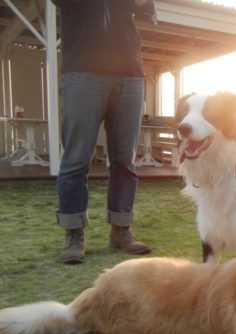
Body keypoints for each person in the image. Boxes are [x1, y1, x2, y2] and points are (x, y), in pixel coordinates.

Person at [52, 0, 156, 263]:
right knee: (76, 159)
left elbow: (146, 8)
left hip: (130, 73)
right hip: (83, 70)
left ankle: (121, 231)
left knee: (124, 161)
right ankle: (74, 235)